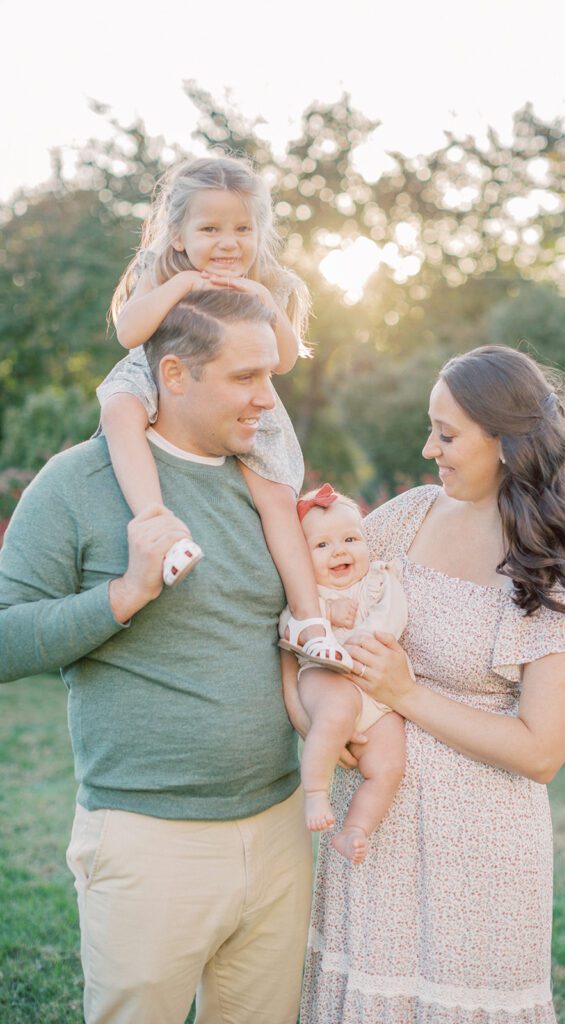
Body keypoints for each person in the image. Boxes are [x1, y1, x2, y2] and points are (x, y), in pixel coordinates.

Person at [0, 290, 314, 1024]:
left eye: (270, 375)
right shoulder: (78, 483)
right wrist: (126, 593)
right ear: (173, 375)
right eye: (245, 378)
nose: (268, 400)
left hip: (279, 830)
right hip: (147, 845)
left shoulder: (266, 485)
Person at [293, 345, 565, 1024]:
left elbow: (541, 751)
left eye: (447, 433)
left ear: (505, 439)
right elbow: (312, 603)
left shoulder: (553, 568)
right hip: (375, 835)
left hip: (480, 857)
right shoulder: (408, 516)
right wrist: (320, 718)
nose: (429, 447)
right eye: (431, 427)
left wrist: (405, 696)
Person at [99, 155, 351, 668]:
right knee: (119, 412)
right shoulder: (163, 271)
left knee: (276, 496)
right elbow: (130, 334)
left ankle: (308, 620)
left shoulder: (265, 282)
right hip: (153, 371)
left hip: (243, 394)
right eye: (210, 228)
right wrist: (180, 287)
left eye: (242, 228)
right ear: (178, 235)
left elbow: (281, 360)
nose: (228, 242)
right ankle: (159, 528)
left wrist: (263, 297)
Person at [280, 483, 407, 864]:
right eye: (322, 546)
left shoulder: (380, 581)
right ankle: (316, 791)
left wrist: (372, 633)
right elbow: (289, 628)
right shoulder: (308, 594)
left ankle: (355, 829)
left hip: (377, 692)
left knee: (390, 765)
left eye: (350, 539)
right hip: (326, 676)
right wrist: (323, 613)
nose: (339, 551)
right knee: (336, 712)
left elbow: (395, 615)